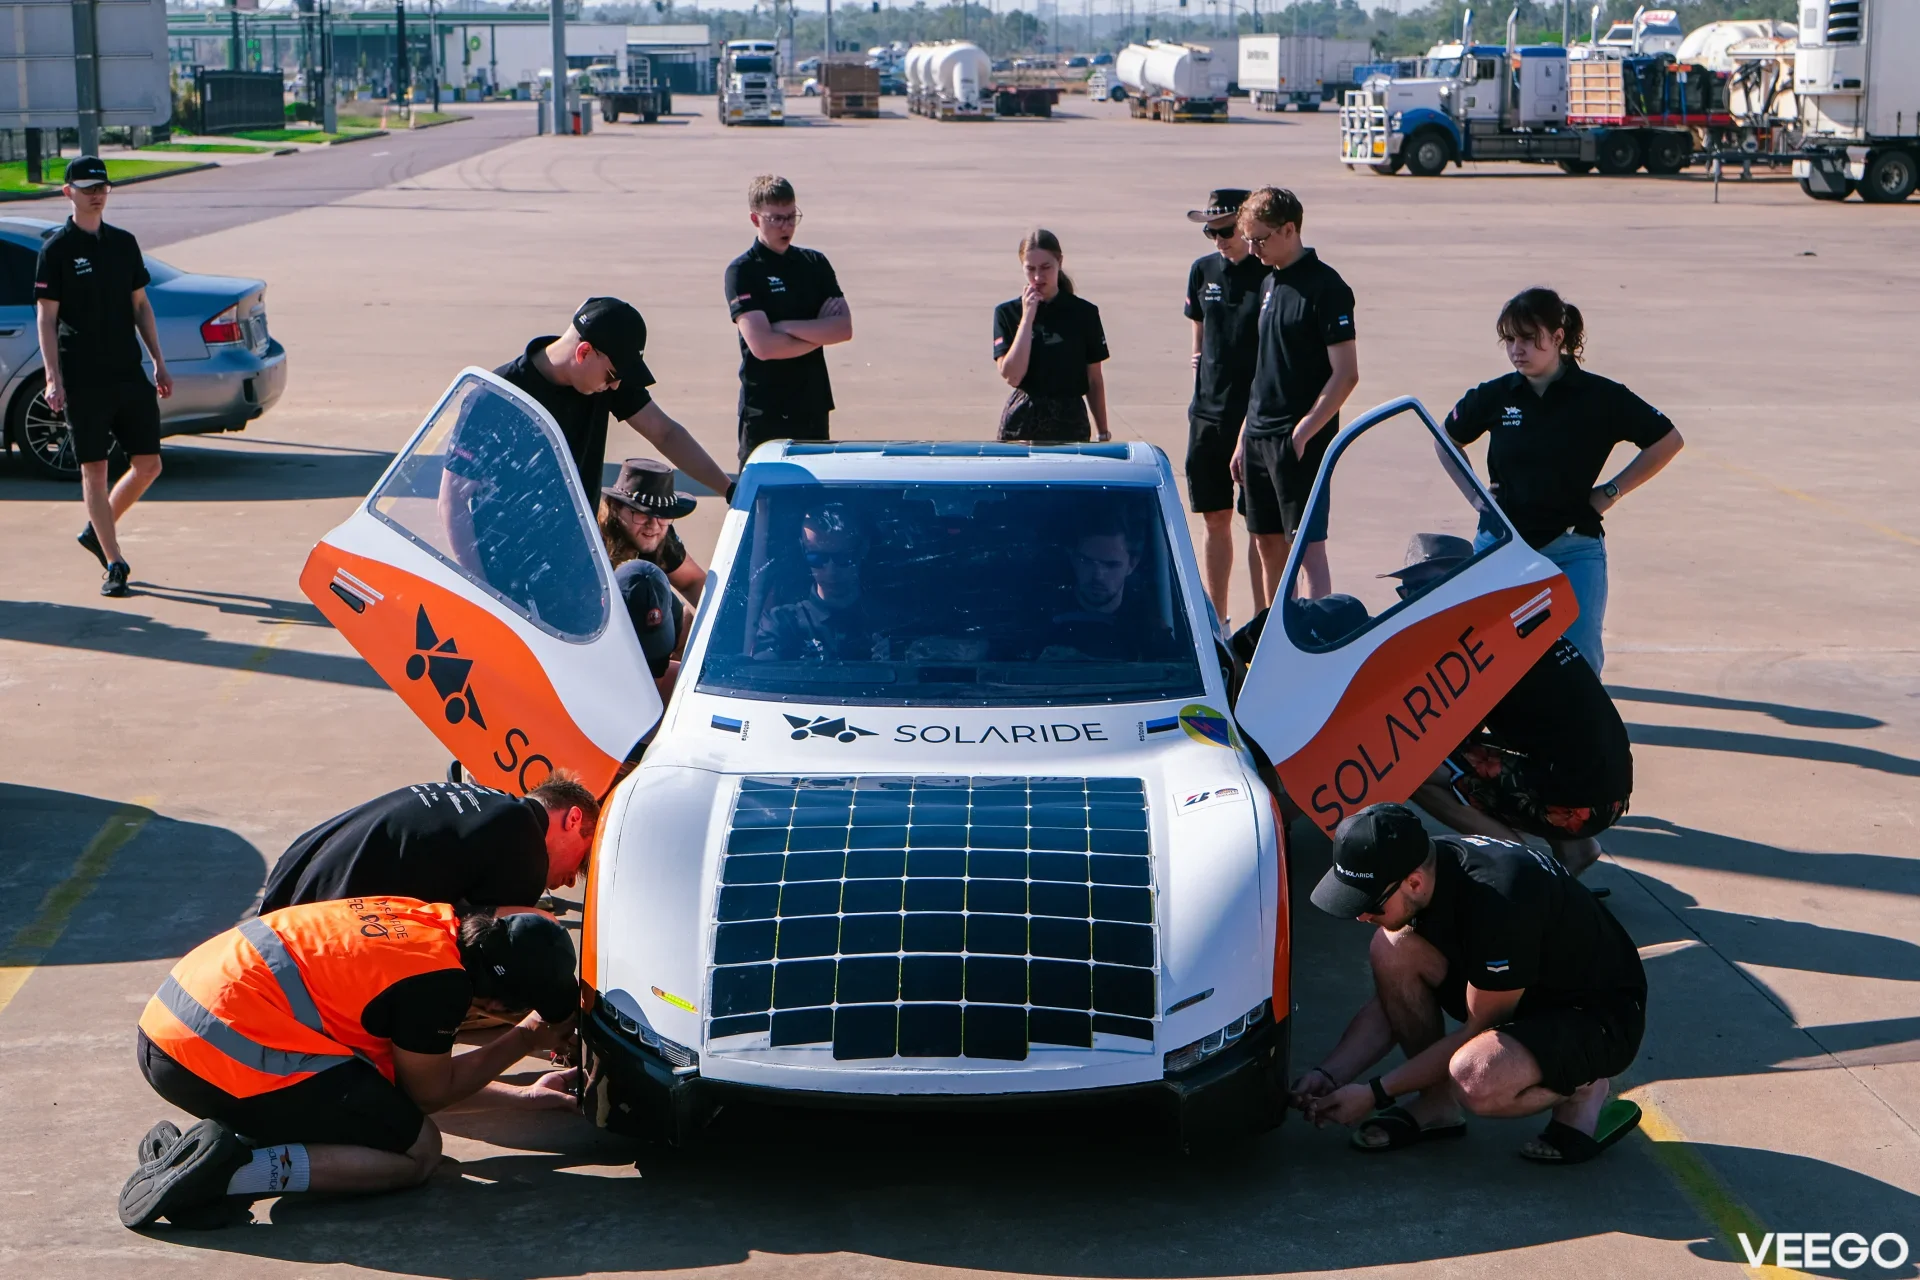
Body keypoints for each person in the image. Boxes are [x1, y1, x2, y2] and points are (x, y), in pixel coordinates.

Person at [120, 902, 580, 1229]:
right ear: (499, 1001)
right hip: (215, 1051)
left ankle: (208, 1151)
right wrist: (525, 1037)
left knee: (379, 1117)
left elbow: (404, 1090)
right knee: (418, 1154)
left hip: (170, 1029)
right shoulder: (440, 987)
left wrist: (524, 1096)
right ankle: (225, 1172)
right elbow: (429, 1096)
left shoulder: (428, 922)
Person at [1293, 803, 1647, 1164]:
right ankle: (1436, 1105)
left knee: (1475, 1077)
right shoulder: (1428, 866)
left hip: (1597, 1015)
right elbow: (1393, 1004)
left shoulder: (1498, 901)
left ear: (1414, 882)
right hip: (1529, 985)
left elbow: (1478, 1031)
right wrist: (1330, 1074)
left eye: (1370, 904)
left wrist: (1374, 1094)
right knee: (1392, 948)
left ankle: (1584, 1089)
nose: (1360, 914)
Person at [1444, 287, 1683, 673]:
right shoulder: (1496, 395)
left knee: (1581, 659)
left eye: (1527, 339)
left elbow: (1667, 440)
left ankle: (1582, 733)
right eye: (1509, 340)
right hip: (1502, 549)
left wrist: (1611, 492)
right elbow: (1447, 440)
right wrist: (1478, 499)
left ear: (1557, 338)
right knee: (1488, 662)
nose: (1516, 350)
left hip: (1574, 549)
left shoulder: (1599, 397)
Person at [1383, 535, 1633, 876]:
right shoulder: (1507, 618)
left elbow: (1441, 734)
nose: (1416, 599)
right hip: (1610, 788)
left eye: (1428, 587)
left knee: (1413, 769)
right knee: (1509, 755)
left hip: (1583, 800)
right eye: (1408, 592)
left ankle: (1530, 873)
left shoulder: (1470, 648)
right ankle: (1576, 849)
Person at [35, 156, 173, 599]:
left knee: (148, 464)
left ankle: (97, 529)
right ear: (68, 192)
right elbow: (46, 318)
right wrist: (54, 377)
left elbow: (140, 306)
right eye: (87, 186)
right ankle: (114, 561)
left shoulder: (124, 244)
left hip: (126, 370)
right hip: (83, 375)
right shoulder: (56, 250)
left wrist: (159, 360)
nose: (96, 194)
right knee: (94, 469)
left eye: (103, 187)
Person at [1231, 187, 1358, 609]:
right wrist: (1244, 436)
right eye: (1247, 239)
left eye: (1260, 239)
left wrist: (1304, 433)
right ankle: (1272, 637)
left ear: (1290, 229)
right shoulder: (1268, 281)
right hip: (1259, 434)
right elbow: (1264, 369)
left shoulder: (1327, 288)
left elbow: (1346, 375)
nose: (1252, 249)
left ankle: (1314, 636)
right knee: (1266, 543)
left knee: (1307, 548)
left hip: (1298, 440)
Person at [492, 296, 734, 512]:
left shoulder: (603, 375)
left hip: (577, 547)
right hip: (509, 552)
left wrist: (729, 490)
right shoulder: (500, 392)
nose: (616, 386)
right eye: (613, 376)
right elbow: (457, 490)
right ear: (584, 352)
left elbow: (665, 433)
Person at [253, 774, 599, 917]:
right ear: (571, 820)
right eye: (581, 862)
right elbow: (483, 938)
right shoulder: (523, 841)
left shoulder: (484, 803)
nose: (570, 881)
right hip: (323, 927)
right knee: (534, 928)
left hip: (294, 884)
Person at [1183, 189, 1268, 625]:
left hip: (1253, 416)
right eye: (1210, 232)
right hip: (1208, 414)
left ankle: (1260, 620)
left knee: (1258, 524)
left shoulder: (1268, 275)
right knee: (1214, 515)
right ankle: (1219, 620)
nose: (1219, 240)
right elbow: (1200, 331)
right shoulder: (1202, 272)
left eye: (1227, 231)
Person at [725, 174, 853, 463]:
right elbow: (764, 347)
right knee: (765, 501)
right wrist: (817, 332)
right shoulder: (743, 271)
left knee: (812, 498)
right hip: (765, 411)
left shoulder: (814, 263)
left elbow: (843, 329)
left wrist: (786, 327)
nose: (786, 226)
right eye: (776, 219)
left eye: (791, 217)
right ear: (755, 219)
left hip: (811, 405)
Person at [993, 228, 1111, 443]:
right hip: (1024, 420)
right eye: (1030, 269)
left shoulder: (1084, 313)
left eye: (1046, 267)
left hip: (1070, 419)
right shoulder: (1006, 313)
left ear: (1060, 262)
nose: (1038, 277)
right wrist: (1028, 316)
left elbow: (1094, 378)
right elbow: (1013, 375)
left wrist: (1103, 431)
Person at [1040, 517, 1181, 662]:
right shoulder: (1042, 617)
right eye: (1087, 561)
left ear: (1132, 564)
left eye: (1111, 565)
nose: (1098, 575)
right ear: (1073, 559)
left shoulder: (1148, 627)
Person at [599, 456, 706, 644]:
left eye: (663, 517)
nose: (654, 526)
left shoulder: (657, 535)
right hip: (604, 638)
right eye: (641, 513)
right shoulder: (593, 543)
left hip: (648, 638)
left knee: (690, 616)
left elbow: (693, 581)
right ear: (615, 507)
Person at [753, 503, 882, 660]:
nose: (831, 570)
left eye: (843, 558)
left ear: (863, 550)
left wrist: (895, 660)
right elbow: (761, 672)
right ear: (803, 552)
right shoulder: (782, 624)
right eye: (817, 558)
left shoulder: (889, 622)